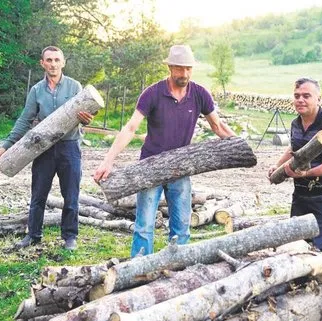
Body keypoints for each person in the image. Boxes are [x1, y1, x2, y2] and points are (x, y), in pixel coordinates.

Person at [93, 45, 235, 257]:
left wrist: (238, 144)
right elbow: (131, 127)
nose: (184, 74)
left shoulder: (199, 94)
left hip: (181, 168)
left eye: (188, 69)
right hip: (151, 168)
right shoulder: (153, 93)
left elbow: (218, 126)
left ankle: (178, 267)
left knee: (181, 226)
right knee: (144, 225)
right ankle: (140, 268)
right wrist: (108, 161)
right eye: (179, 69)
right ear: (169, 67)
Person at [0, 46, 94, 250]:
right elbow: (25, 119)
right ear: (42, 63)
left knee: (71, 194)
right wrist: (7, 144)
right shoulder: (37, 90)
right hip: (43, 149)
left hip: (69, 148)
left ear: (63, 62)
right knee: (38, 195)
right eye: (49, 60)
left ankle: (69, 237)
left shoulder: (75, 86)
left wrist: (87, 120)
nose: (53, 64)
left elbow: (85, 117)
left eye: (57, 60)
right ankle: (33, 235)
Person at [267, 77, 322, 253]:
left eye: (306, 96)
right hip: (301, 195)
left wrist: (305, 174)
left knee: (321, 249)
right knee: (295, 245)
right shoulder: (296, 123)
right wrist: (278, 165)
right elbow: (294, 148)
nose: (300, 100)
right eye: (297, 96)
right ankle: (298, 281)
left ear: (319, 99)